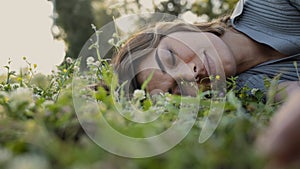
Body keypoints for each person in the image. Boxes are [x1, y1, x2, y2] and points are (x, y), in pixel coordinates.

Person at [113, 0, 300, 167]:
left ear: (178, 28)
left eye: (171, 57)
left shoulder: (268, 4)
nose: (189, 74)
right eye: (176, 89)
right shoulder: (248, 87)